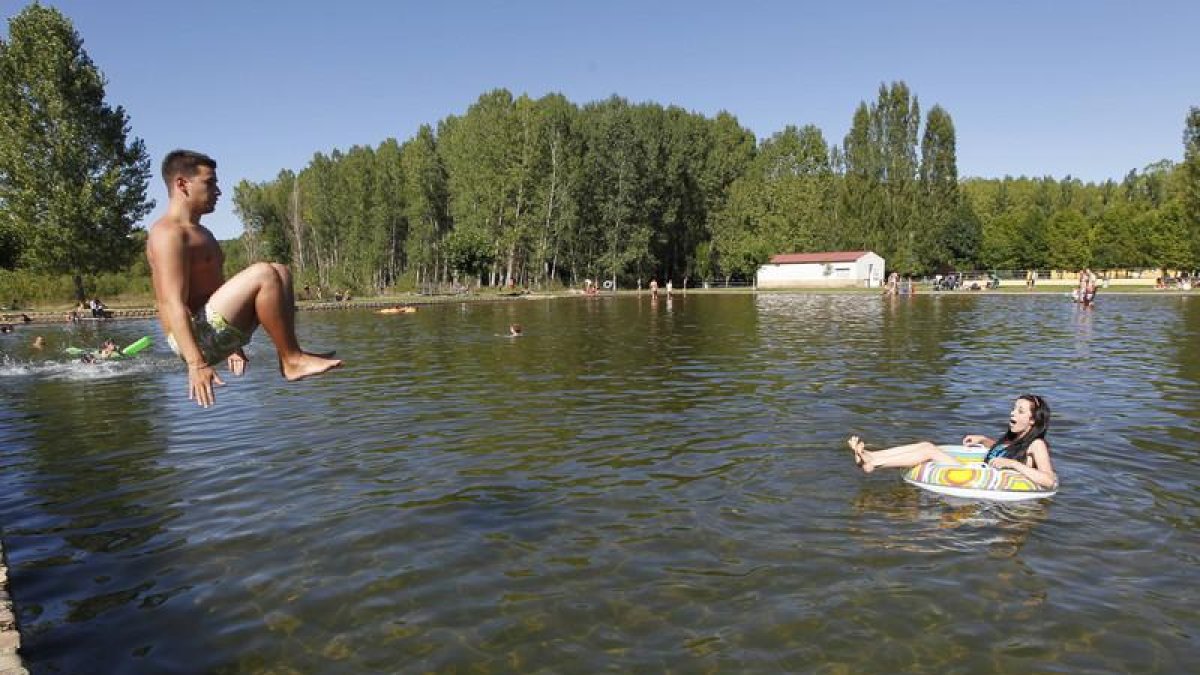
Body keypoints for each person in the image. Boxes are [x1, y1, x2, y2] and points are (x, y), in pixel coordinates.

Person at [146, 150, 341, 408]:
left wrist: (233, 347)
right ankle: (292, 360)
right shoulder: (167, 234)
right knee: (264, 273)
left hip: (212, 330)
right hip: (191, 340)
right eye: (209, 182)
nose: (218, 191)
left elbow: (215, 294)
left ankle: (292, 354)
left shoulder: (202, 233)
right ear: (182, 184)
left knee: (280, 270)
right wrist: (196, 364)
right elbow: (172, 303)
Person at [847, 394, 1057, 490]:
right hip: (981, 468)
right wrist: (984, 440)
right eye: (1013, 408)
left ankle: (873, 461)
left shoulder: (1036, 444)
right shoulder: (1016, 438)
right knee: (926, 445)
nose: (1012, 413)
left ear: (1032, 420)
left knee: (929, 450)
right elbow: (1005, 451)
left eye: (1019, 411)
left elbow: (1048, 479)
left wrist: (1013, 465)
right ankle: (873, 457)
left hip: (985, 477)